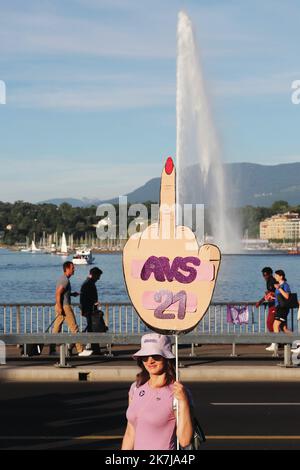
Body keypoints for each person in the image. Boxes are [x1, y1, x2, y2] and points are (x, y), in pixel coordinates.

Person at [121, 333, 193, 450]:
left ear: (166, 357)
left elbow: (185, 440)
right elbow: (130, 432)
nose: (150, 361)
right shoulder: (135, 388)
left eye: (156, 355)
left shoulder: (178, 393)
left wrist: (184, 402)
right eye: (145, 356)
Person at [50, 261, 92, 357]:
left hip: (61, 305)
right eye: (73, 268)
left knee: (56, 329)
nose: (74, 269)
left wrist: (72, 294)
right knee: (74, 328)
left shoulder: (63, 279)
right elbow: (58, 293)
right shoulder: (65, 280)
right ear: (67, 269)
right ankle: (80, 350)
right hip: (64, 307)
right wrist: (61, 307)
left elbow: (63, 293)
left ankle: (52, 350)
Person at [267, 269, 292, 354]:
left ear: (281, 276)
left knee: (275, 325)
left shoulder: (285, 285)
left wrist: (279, 288)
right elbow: (279, 298)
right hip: (278, 307)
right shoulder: (278, 285)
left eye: (276, 275)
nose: (275, 277)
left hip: (283, 309)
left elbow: (287, 296)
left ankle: (275, 345)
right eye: (275, 275)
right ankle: (298, 341)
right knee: (284, 329)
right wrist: (272, 298)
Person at [80, 267, 103, 354]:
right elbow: (84, 298)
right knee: (92, 329)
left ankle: (95, 349)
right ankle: (95, 349)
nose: (99, 278)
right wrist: (92, 304)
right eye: (98, 276)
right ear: (94, 275)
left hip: (89, 310)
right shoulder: (88, 284)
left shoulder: (88, 283)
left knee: (91, 329)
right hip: (90, 310)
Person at [255, 267, 276, 351]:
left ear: (270, 274)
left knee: (270, 323)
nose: (265, 277)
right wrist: (261, 301)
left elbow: (276, 293)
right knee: (281, 326)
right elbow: (269, 294)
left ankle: (275, 343)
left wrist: (261, 300)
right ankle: (281, 342)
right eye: (263, 275)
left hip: (275, 305)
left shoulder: (272, 281)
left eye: (266, 275)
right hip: (272, 304)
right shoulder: (268, 281)